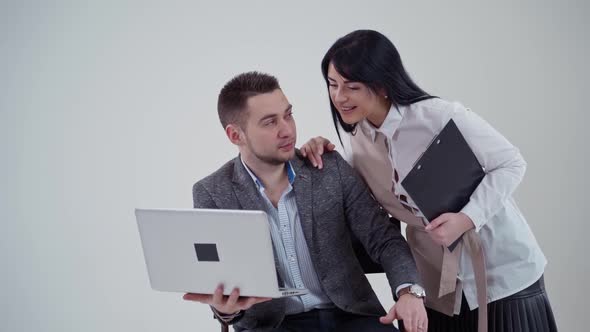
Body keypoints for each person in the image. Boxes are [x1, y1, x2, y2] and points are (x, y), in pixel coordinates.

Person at [300, 29, 557, 332]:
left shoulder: (438, 116)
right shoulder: (356, 140)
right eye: (333, 84)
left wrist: (466, 218)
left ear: (381, 84)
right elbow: (365, 210)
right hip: (438, 284)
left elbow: (511, 163)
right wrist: (318, 152)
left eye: (351, 86)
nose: (339, 97)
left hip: (501, 272)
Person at [183, 71, 429, 332]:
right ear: (236, 135)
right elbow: (219, 281)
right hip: (273, 325)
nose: (287, 130)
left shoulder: (328, 167)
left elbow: (383, 238)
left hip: (351, 317)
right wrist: (225, 310)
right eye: (270, 122)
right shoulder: (212, 192)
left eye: (288, 115)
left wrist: (409, 291)